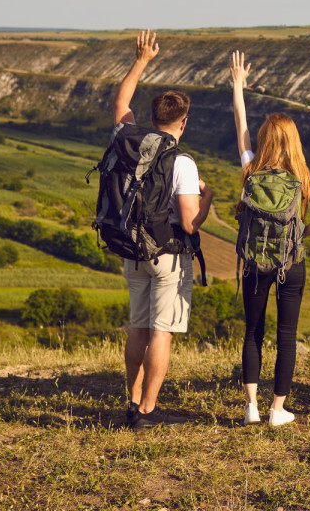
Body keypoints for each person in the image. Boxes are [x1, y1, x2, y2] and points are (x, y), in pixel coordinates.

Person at [112, 30, 214, 429]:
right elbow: (189, 222)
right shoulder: (183, 163)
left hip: (131, 247)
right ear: (183, 123)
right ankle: (148, 412)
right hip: (167, 255)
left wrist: (142, 60)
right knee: (162, 331)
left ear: (152, 118)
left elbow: (121, 102)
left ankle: (132, 400)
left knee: (137, 326)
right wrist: (209, 199)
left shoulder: (128, 139)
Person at [229, 51, 310, 427]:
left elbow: (240, 125)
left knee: (252, 331)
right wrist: (298, 236)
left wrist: (238, 85)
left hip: (255, 261)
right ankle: (277, 410)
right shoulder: (304, 175)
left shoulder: (251, 170)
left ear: (264, 139)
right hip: (291, 264)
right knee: (286, 335)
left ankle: (250, 406)